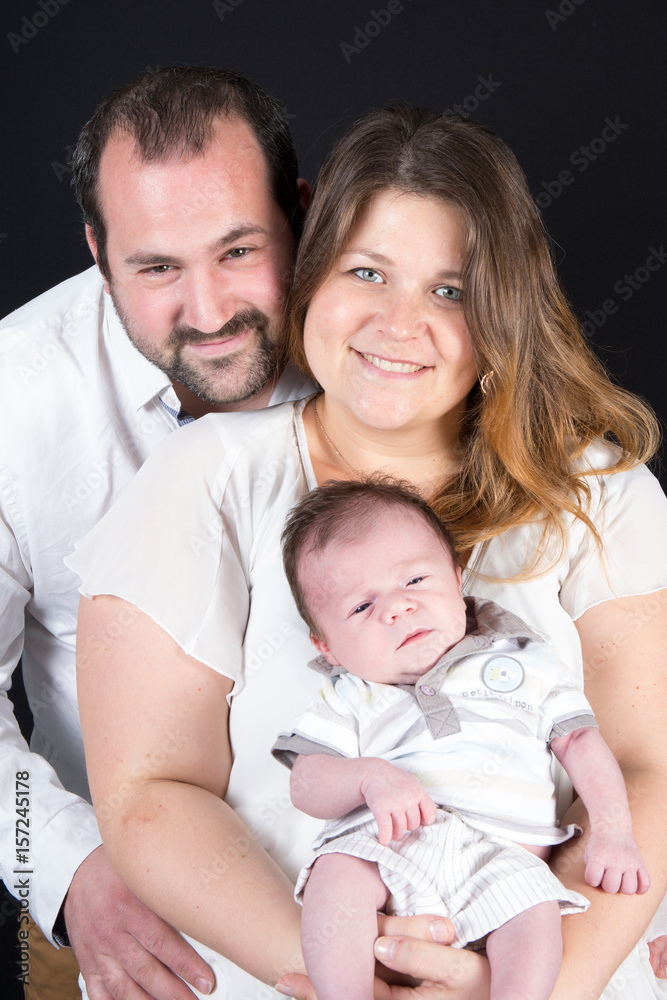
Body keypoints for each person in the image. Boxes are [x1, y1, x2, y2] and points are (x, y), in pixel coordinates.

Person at [69, 104, 667, 1000]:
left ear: (503, 309)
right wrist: (332, 972)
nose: (399, 321)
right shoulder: (204, 479)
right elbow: (149, 795)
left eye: (450, 290)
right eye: (367, 271)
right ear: (312, 275)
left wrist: (532, 988)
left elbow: (646, 771)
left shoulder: (594, 489)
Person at [0, 65, 312, 1000]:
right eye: (156, 268)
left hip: (384, 879)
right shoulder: (12, 396)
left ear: (299, 209)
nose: (209, 312)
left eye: (238, 250)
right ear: (98, 252)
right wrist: (62, 867)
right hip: (125, 915)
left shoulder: (389, 339)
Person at [273, 477, 650, 1000]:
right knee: (336, 875)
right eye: (361, 607)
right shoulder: (350, 695)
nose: (397, 608)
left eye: (416, 580)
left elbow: (581, 743)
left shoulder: (524, 660)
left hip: (506, 859)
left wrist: (613, 830)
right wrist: (369, 779)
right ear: (327, 646)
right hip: (390, 849)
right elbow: (306, 784)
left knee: (537, 914)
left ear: (456, 578)